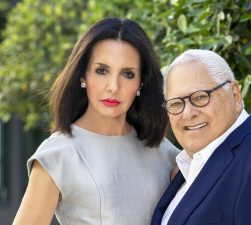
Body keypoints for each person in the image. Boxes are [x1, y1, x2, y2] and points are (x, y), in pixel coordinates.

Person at [13, 18, 179, 225]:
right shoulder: (57, 155)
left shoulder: (167, 154)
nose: (113, 86)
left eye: (127, 74)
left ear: (141, 83)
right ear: (83, 75)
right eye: (102, 70)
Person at [151, 49, 251, 225]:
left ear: (235, 93)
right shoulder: (189, 166)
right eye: (176, 103)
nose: (188, 113)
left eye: (200, 97)